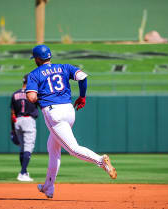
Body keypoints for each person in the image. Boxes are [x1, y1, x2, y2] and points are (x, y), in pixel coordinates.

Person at [26, 45, 117, 199]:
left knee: (73, 149)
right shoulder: (63, 67)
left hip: (53, 112)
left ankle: (101, 161)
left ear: (37, 59)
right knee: (53, 148)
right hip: (69, 110)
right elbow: (82, 77)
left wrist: (36, 94)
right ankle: (48, 188)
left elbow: (31, 98)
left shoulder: (35, 74)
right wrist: (82, 96)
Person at [10, 74, 39, 182]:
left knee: (22, 148)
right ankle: (22, 173)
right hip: (28, 120)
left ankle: (24, 172)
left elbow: (12, 113)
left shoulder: (15, 94)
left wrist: (12, 129)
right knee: (28, 147)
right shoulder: (32, 94)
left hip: (17, 120)